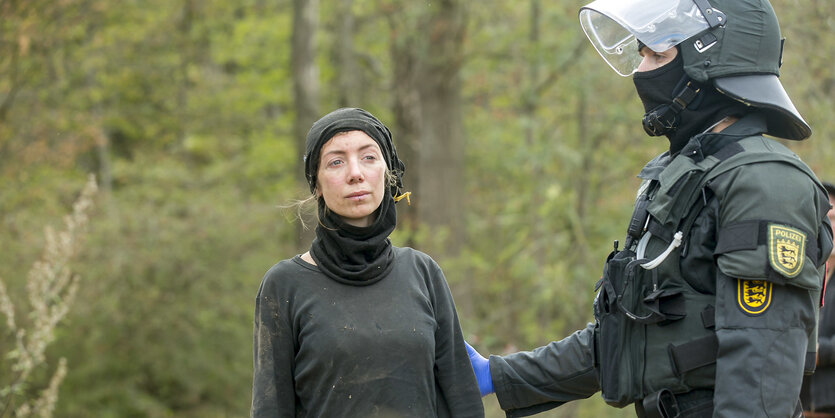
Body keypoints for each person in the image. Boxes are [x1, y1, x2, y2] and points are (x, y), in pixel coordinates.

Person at [466, 0, 834, 417]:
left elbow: (762, 370)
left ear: (710, 68)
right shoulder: (684, 176)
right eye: (643, 55)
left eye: (658, 55)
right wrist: (496, 374)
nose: (642, 72)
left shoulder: (765, 184)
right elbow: (632, 339)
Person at [250, 108, 484, 417]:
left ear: (389, 174)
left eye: (369, 157)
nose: (355, 173)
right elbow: (271, 407)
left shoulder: (422, 273)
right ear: (316, 184)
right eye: (336, 161)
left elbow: (463, 399)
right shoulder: (284, 285)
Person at [801, 182, 835, 417]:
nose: (829, 226)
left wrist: (814, 350)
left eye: (833, 217)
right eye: (824, 217)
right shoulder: (800, 272)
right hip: (795, 401)